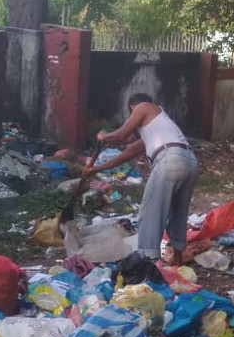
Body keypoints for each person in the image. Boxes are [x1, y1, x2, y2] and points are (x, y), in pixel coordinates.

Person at [83, 92, 199, 265]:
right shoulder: (157, 128)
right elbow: (125, 154)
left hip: (170, 159)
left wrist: (103, 136)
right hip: (190, 161)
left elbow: (120, 136)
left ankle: (148, 261)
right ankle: (177, 260)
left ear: (132, 108)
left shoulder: (143, 107)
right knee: (178, 212)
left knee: (150, 212)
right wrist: (96, 168)